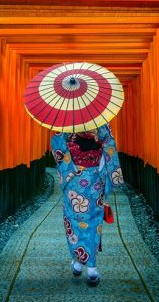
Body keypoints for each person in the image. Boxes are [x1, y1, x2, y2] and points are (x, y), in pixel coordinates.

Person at [50, 123, 124, 287]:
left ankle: (82, 263)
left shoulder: (64, 125)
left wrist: (70, 169)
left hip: (74, 179)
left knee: (74, 221)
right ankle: (89, 266)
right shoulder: (101, 123)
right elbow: (109, 146)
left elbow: (57, 147)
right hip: (94, 180)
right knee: (93, 221)